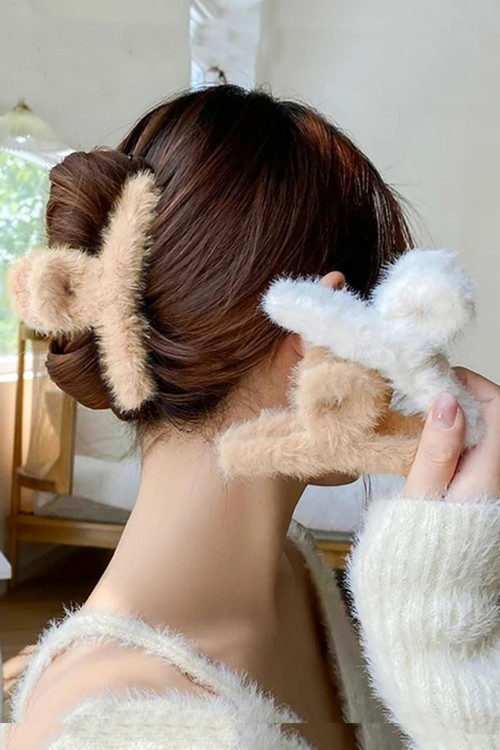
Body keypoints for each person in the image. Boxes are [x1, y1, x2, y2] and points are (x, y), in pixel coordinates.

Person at [6, 85, 499, 749]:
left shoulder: (293, 573)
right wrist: (441, 647)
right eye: (389, 313)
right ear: (320, 331)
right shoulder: (116, 731)